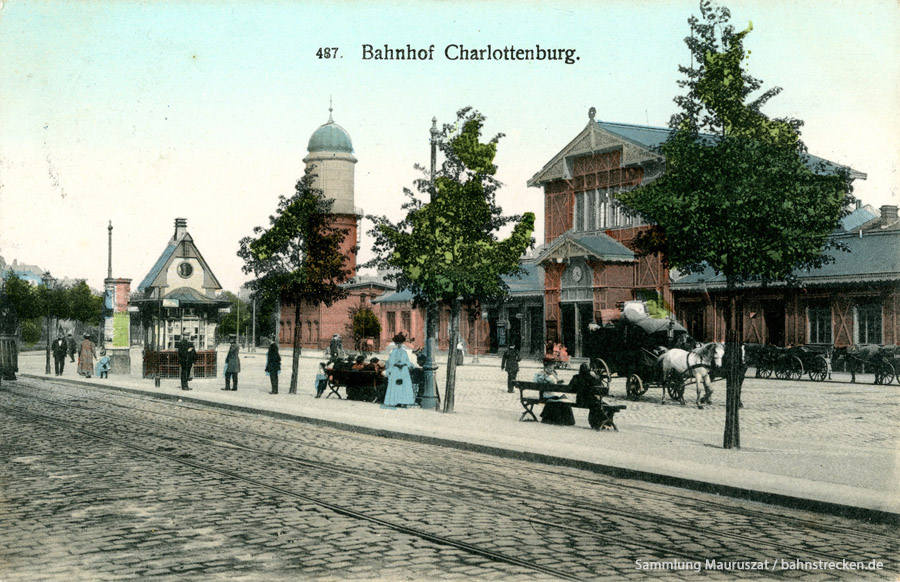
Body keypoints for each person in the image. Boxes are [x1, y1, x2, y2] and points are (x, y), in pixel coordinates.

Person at [534, 356, 574, 426]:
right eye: (552, 365)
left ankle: (553, 418)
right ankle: (566, 420)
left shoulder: (540, 374)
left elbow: (536, 381)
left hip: (544, 394)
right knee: (564, 400)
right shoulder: (549, 374)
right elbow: (552, 381)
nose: (553, 367)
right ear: (549, 365)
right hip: (550, 395)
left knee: (562, 399)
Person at [570, 363, 610, 430]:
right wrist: (597, 378)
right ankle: (605, 423)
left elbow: (570, 388)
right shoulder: (591, 378)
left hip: (579, 401)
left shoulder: (575, 377)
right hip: (589, 401)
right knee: (604, 405)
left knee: (597, 404)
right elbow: (600, 388)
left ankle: (602, 423)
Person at [383, 333, 416, 408]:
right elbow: (390, 361)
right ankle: (396, 401)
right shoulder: (393, 351)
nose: (399, 345)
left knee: (404, 385)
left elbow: (407, 361)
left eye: (400, 343)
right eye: (397, 343)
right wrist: (394, 365)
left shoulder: (404, 351)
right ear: (395, 343)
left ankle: (404, 401)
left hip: (403, 369)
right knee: (396, 385)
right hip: (396, 369)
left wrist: (408, 365)